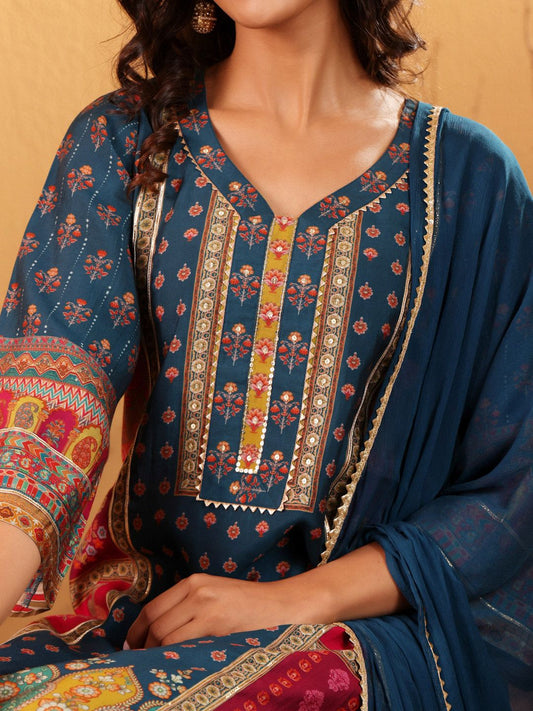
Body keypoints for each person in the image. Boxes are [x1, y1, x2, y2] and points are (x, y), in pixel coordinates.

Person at [0, 0, 531, 708]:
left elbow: (514, 488)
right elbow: (41, 420)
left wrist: (295, 601)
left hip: (356, 639)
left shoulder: (466, 179)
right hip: (141, 631)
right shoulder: (127, 140)